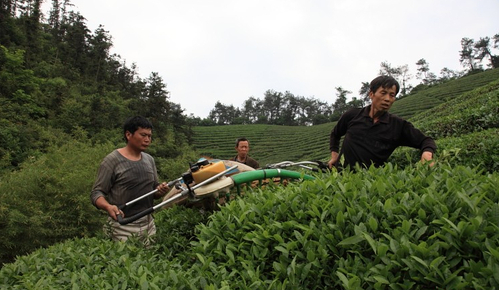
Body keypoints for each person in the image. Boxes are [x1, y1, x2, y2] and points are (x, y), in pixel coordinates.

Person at [90, 116, 170, 245]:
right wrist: (108, 207)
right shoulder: (112, 160)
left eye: (149, 136)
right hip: (122, 227)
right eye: (143, 135)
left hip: (148, 224)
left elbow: (154, 190)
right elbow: (96, 193)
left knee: (149, 263)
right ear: (128, 134)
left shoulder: (149, 159)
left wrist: (160, 190)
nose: (147, 139)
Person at [328, 75, 436, 170]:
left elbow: (426, 141)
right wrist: (334, 155)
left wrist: (427, 155)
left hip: (369, 182)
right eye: (383, 93)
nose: (387, 99)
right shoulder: (352, 115)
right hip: (341, 176)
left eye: (392, 95)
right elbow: (335, 134)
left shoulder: (398, 125)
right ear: (371, 94)